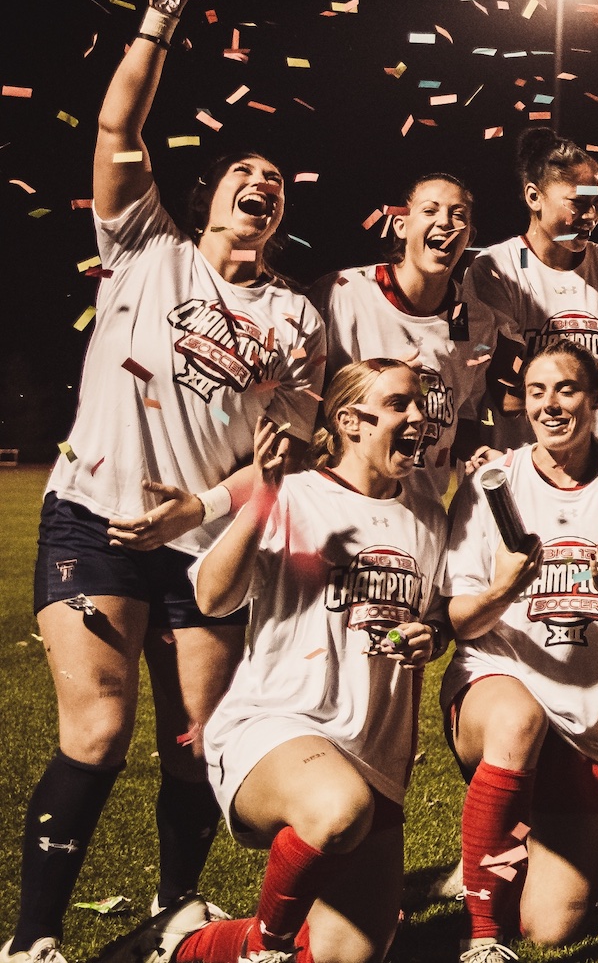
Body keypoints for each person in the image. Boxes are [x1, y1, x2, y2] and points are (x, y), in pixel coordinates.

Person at [18, 0, 325, 963]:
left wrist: (197, 510)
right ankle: (34, 940)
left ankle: (177, 905)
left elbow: (287, 448)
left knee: (197, 741)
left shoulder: (294, 316)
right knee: (97, 736)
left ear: (280, 216)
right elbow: (118, 121)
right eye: (245, 169)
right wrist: (160, 14)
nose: (261, 182)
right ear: (211, 196)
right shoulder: (146, 243)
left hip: (205, 542)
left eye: (276, 179)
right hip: (96, 519)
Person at [147, 363, 448, 963]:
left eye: (420, 405)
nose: (418, 418)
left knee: (349, 955)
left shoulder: (428, 516)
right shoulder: (296, 492)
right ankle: (266, 948)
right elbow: (211, 596)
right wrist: (261, 496)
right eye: (398, 405)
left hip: (375, 751)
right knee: (337, 808)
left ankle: (181, 948)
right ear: (350, 423)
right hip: (279, 727)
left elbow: (435, 613)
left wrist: (431, 637)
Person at [444, 342, 598, 963]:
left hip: (588, 716)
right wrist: (505, 588)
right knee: (517, 719)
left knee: (552, 928)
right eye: (538, 391)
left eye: (568, 390)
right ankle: (483, 939)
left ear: (597, 399)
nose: (551, 404)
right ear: (522, 401)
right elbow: (462, 622)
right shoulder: (495, 482)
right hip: (498, 685)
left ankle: (513, 843)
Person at [469, 129, 598, 456]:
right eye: (578, 203)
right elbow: (509, 395)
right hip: (525, 476)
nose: (591, 216)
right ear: (534, 197)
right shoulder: (497, 268)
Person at [316, 173, 498, 519]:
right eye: (430, 211)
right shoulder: (344, 293)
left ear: (469, 237)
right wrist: (377, 383)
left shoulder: (478, 322)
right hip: (342, 503)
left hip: (422, 513)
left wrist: (480, 453)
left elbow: (462, 417)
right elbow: (306, 404)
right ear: (400, 225)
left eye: (458, 215)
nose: (445, 222)